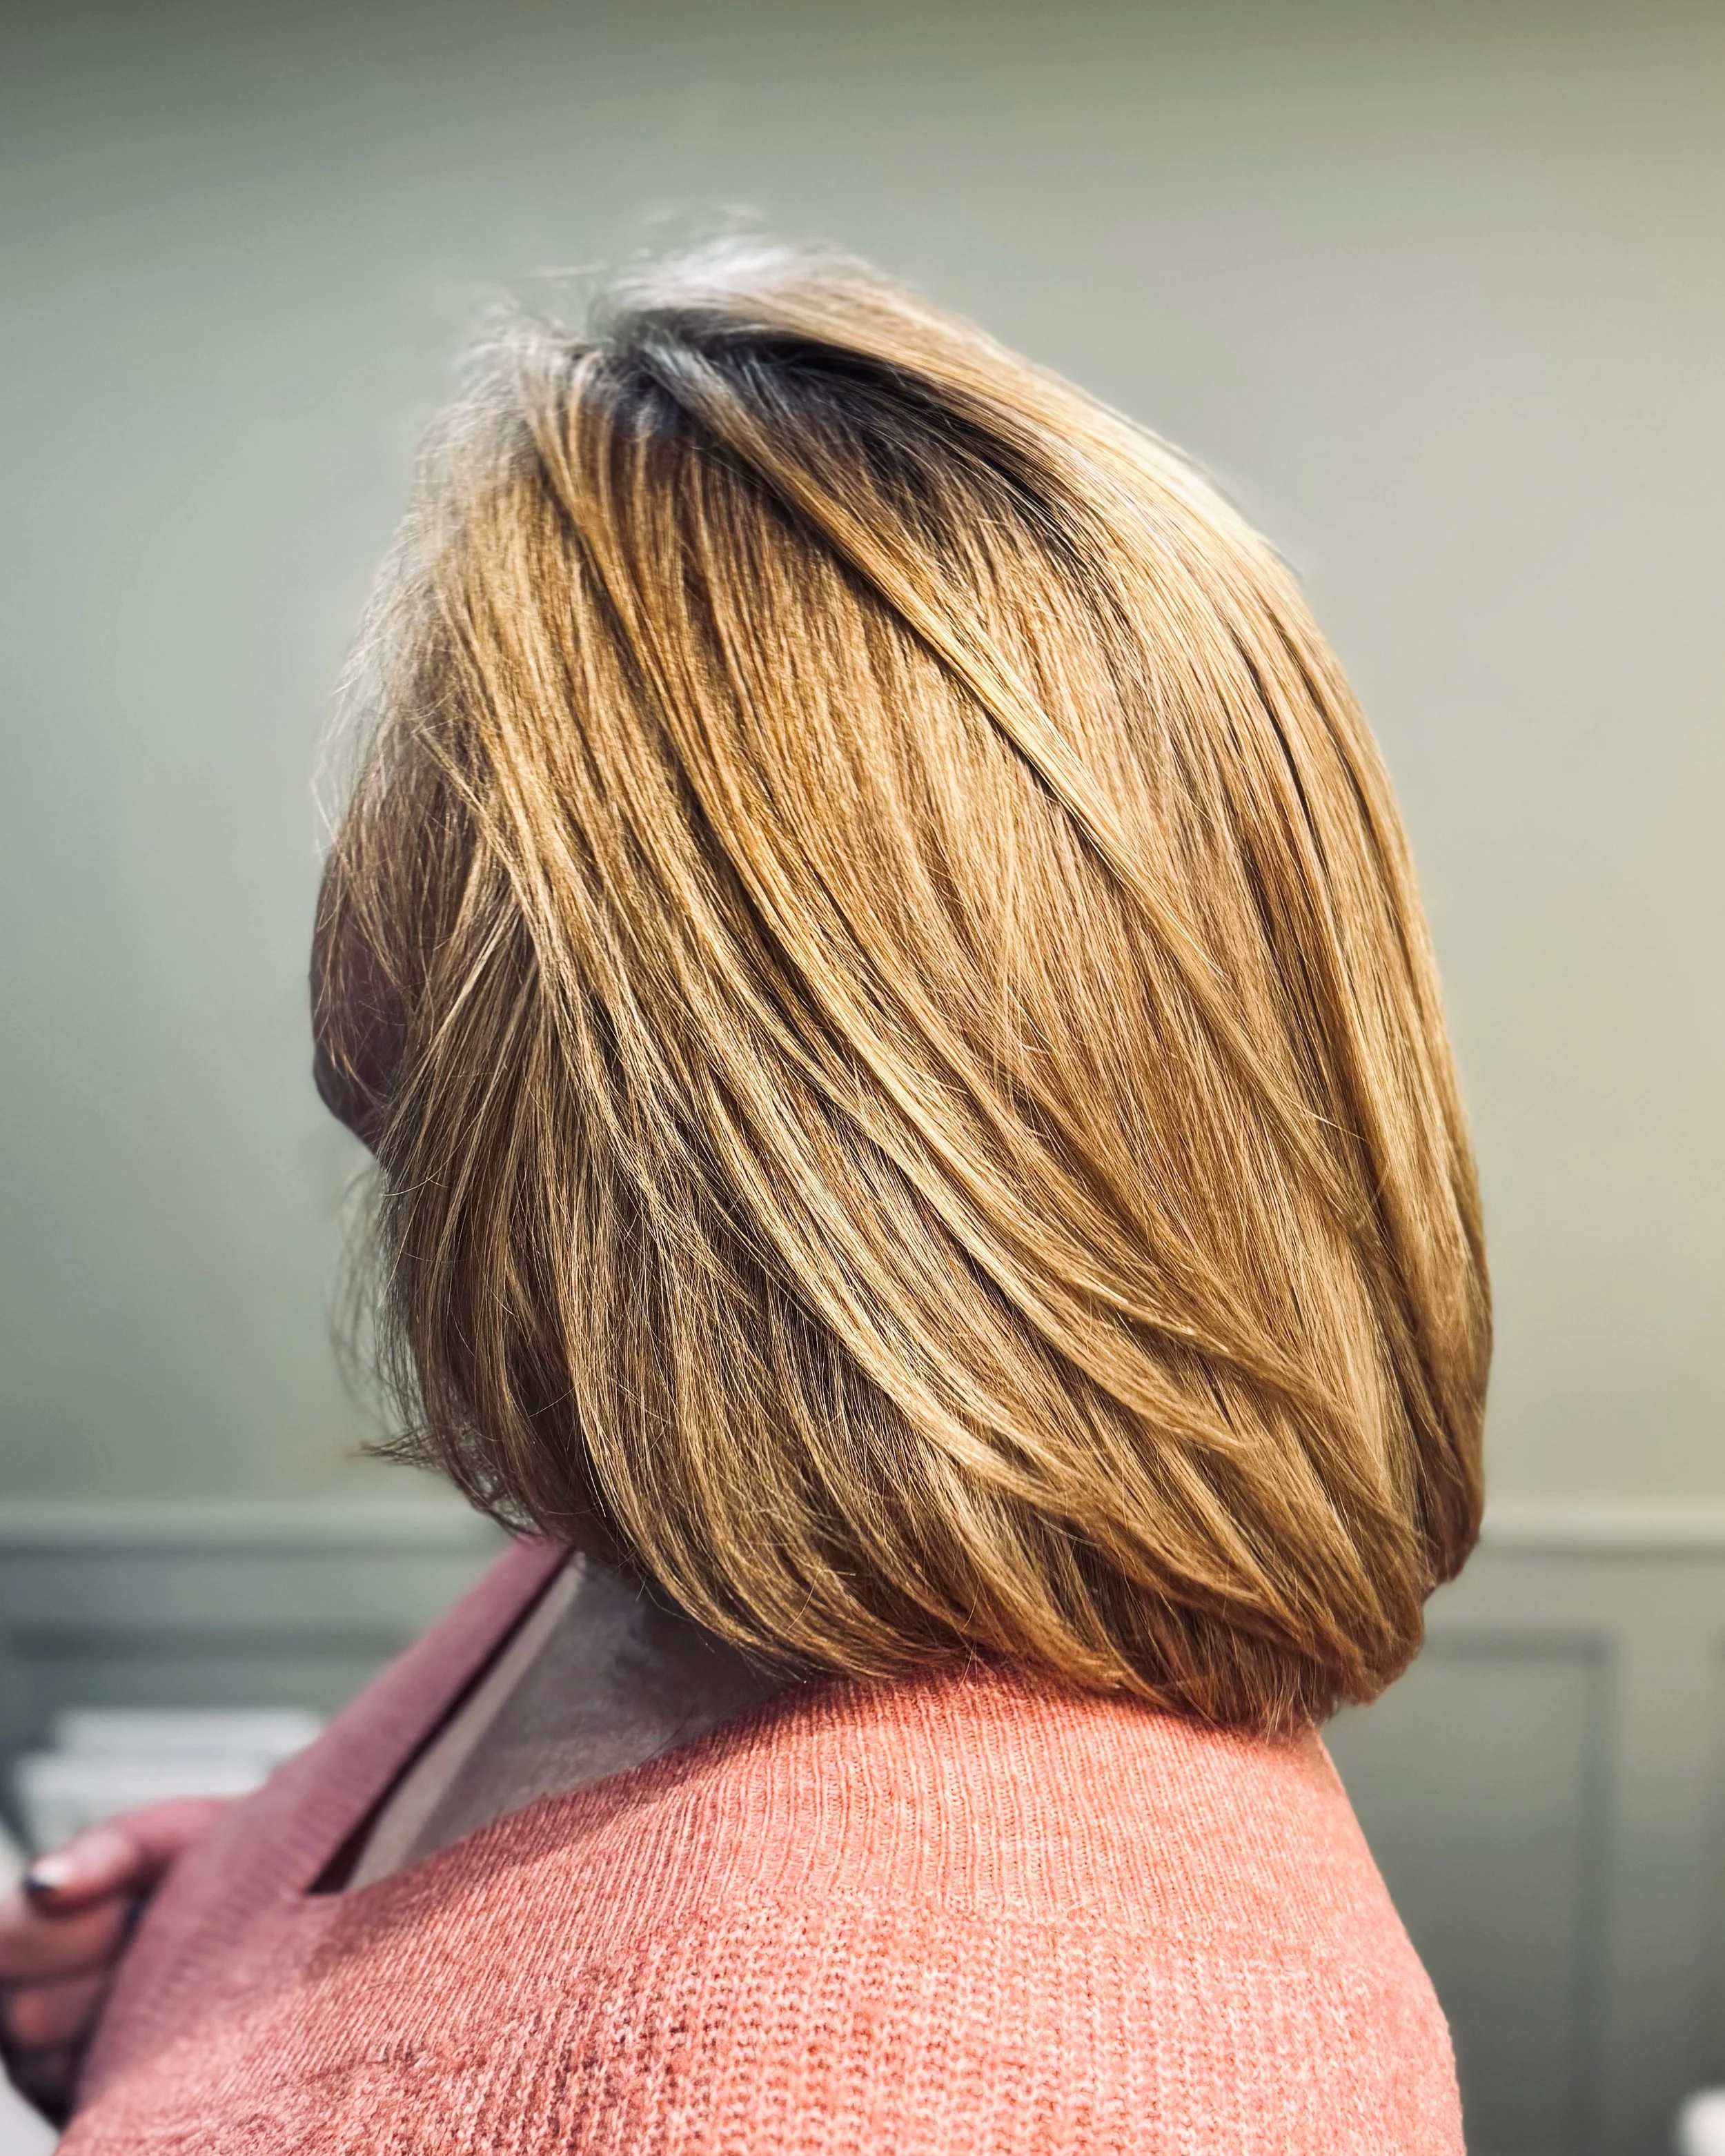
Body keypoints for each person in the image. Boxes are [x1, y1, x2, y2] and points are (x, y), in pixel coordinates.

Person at [0, 242, 1489, 2153]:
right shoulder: (678, 1542)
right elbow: (542, 1958)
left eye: (419, 769)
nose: (360, 858)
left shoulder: (920, 2072)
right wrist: (215, 1984)